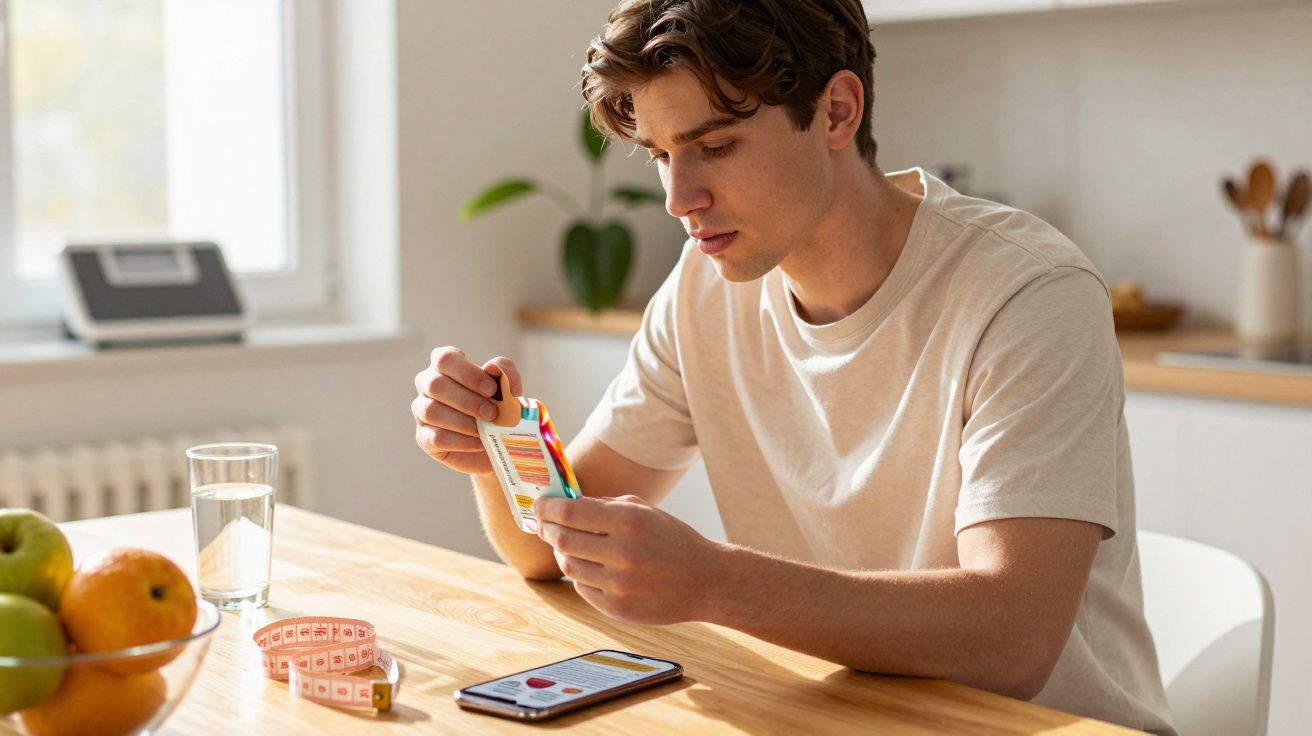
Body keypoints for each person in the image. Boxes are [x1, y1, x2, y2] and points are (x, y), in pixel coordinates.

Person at [412, 1, 1174, 732]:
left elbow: (1012, 640)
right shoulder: (702, 290)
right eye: (662, 156)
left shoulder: (1025, 292)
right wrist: (495, 451)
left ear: (838, 112)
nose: (680, 197)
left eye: (714, 146)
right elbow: (553, 551)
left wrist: (713, 581)